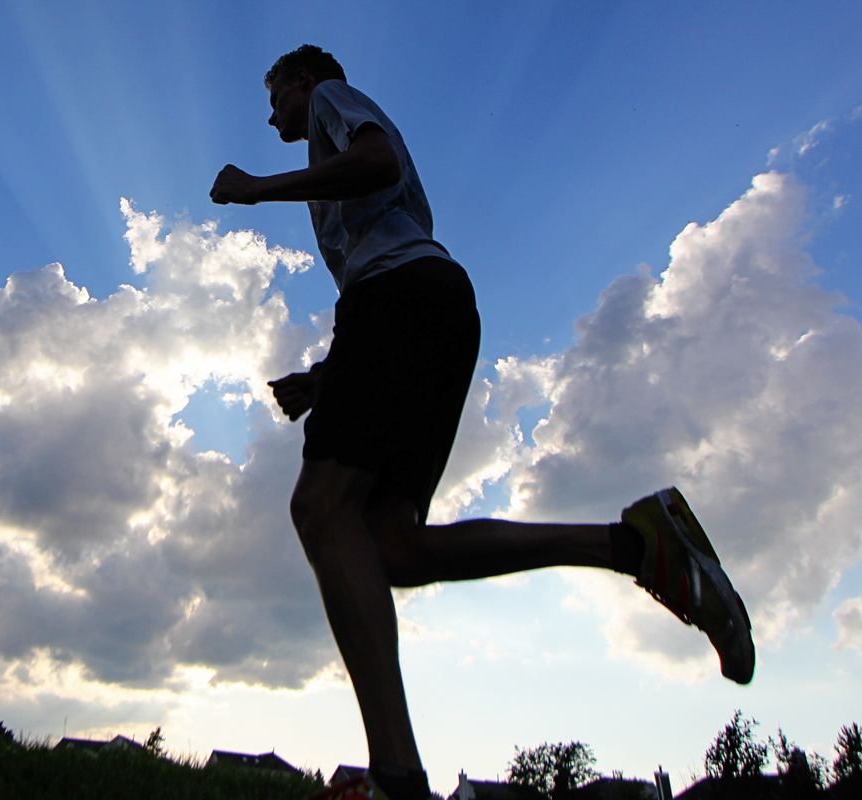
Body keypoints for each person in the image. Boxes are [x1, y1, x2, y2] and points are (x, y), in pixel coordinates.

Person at [210, 45, 754, 800]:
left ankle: (395, 776)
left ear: (303, 82)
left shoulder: (333, 101)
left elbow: (379, 169)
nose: (272, 117)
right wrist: (326, 379)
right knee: (392, 548)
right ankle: (637, 546)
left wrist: (257, 189)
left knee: (320, 507)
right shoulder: (342, 174)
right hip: (426, 306)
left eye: (275, 99)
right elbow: (388, 266)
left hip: (404, 301)